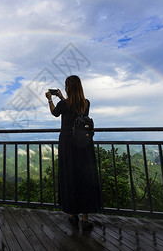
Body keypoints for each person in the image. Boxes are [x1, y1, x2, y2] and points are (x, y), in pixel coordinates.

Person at [45, 75, 102, 231]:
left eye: (66, 85)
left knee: (70, 177)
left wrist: (50, 99)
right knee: (85, 178)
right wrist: (62, 98)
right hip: (84, 145)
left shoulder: (63, 104)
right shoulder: (86, 103)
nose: (64, 87)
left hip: (68, 145)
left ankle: (72, 213)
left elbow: (56, 112)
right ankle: (85, 217)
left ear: (69, 87)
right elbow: (74, 110)